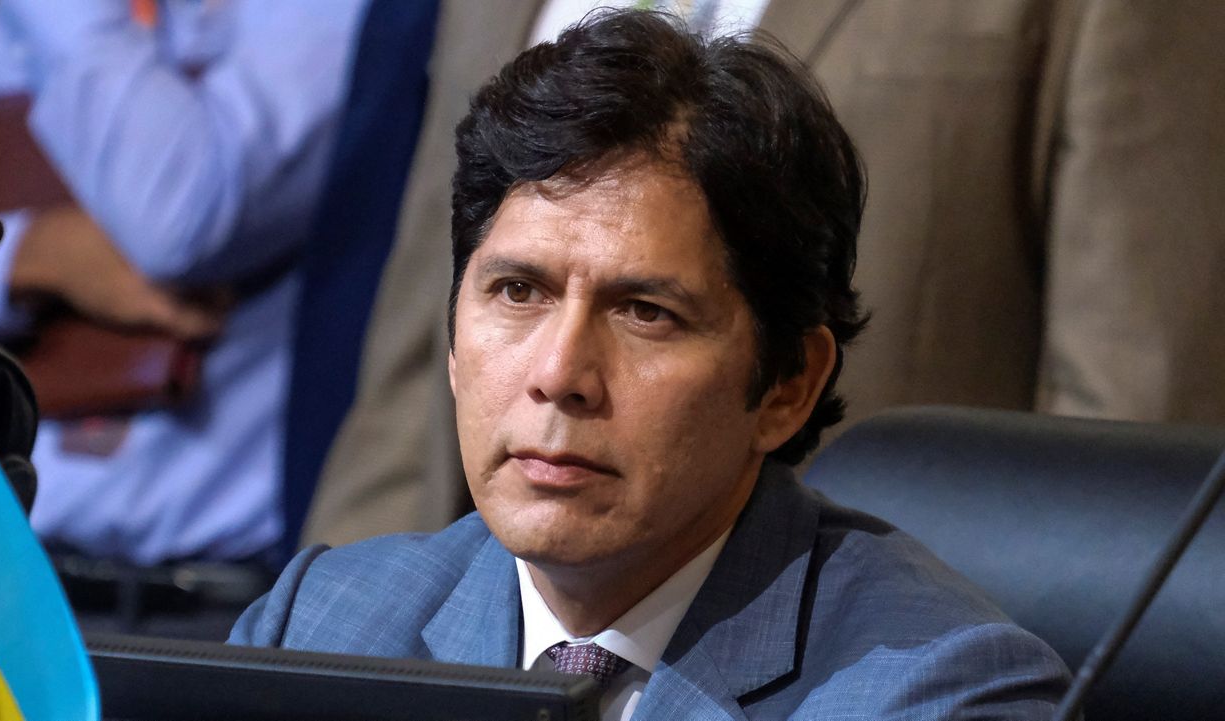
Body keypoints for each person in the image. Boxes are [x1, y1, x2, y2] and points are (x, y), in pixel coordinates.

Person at [233, 12, 1071, 720]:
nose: (559, 373)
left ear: (788, 384)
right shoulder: (320, 625)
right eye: (518, 291)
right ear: (453, 340)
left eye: (646, 313)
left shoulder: (937, 693)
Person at [303, 0, 1225, 548]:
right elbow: (420, 352)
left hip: (875, 655)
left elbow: (1130, 394)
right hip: (471, 640)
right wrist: (323, 657)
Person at [0, 0, 368, 566]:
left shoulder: (338, 15)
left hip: (212, 601)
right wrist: (31, 257)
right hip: (3, 572)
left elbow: (176, 218)